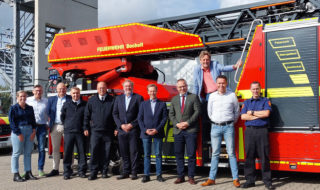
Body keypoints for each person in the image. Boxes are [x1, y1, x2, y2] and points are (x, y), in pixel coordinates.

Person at [201, 75, 240, 187]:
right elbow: (209, 112)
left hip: (228, 127)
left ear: (226, 83)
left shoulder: (232, 96)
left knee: (231, 153)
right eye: (219, 83)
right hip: (215, 127)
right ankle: (211, 179)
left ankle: (236, 179)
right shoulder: (212, 96)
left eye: (223, 83)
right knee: (215, 153)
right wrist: (215, 121)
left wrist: (231, 122)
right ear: (216, 84)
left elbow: (236, 112)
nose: (221, 85)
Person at [240, 81, 275, 190]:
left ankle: (267, 181)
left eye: (257, 89)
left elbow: (266, 114)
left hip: (262, 131)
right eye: (253, 89)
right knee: (249, 156)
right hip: (249, 131)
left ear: (260, 89)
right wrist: (258, 115)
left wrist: (253, 113)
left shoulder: (266, 100)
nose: (255, 91)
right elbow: (243, 117)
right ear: (250, 90)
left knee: (264, 156)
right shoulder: (246, 102)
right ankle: (250, 181)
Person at [169, 79, 201, 185]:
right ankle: (180, 176)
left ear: (187, 86)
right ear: (177, 88)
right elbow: (171, 114)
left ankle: (191, 177)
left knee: (191, 154)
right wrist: (177, 124)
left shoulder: (194, 97)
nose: (182, 88)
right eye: (180, 87)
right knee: (179, 154)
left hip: (190, 130)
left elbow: (197, 112)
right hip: (178, 131)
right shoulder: (174, 99)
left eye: (184, 86)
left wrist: (187, 123)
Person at [112, 79, 144, 180]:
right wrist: (121, 125)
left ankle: (134, 172)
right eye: (126, 86)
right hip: (122, 130)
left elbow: (140, 114)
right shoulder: (118, 99)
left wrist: (132, 125)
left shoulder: (138, 98)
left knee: (134, 152)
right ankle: (125, 172)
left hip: (133, 130)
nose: (128, 88)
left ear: (132, 87)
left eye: (129, 86)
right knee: (124, 152)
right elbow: (115, 113)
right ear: (123, 87)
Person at [84, 81, 115, 180]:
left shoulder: (112, 100)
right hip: (95, 131)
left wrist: (116, 128)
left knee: (106, 152)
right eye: (100, 88)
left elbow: (116, 115)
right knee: (94, 152)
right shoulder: (92, 100)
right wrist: (85, 127)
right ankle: (93, 172)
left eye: (103, 87)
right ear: (97, 89)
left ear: (106, 88)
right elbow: (86, 115)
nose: (101, 89)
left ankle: (104, 171)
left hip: (108, 131)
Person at [138, 84, 167, 183]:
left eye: (154, 91)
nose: (152, 93)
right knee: (147, 155)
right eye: (150, 91)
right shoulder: (143, 104)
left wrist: (157, 129)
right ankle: (147, 175)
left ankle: (159, 175)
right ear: (147, 92)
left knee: (158, 154)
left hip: (157, 132)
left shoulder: (162, 104)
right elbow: (140, 119)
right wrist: (145, 130)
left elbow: (164, 119)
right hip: (146, 133)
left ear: (156, 91)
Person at [9, 90, 37, 182]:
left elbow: (33, 120)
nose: (22, 98)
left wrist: (33, 131)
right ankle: (16, 174)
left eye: (24, 96)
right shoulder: (13, 108)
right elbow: (12, 122)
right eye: (21, 96)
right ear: (17, 97)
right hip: (18, 131)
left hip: (29, 131)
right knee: (16, 153)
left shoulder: (30, 108)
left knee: (28, 153)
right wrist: (18, 133)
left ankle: (28, 172)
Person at [60, 87, 87, 180]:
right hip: (69, 132)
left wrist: (85, 128)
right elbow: (62, 117)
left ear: (80, 94)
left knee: (82, 152)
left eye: (77, 93)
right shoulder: (66, 104)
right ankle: (67, 172)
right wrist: (67, 125)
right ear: (71, 94)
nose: (76, 95)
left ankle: (82, 171)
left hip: (80, 132)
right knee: (67, 153)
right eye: (74, 93)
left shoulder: (85, 105)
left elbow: (86, 118)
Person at [46, 82, 72, 177]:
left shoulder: (70, 98)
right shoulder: (51, 100)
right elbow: (48, 112)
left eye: (64, 88)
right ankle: (55, 169)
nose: (62, 90)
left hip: (67, 126)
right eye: (60, 89)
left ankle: (69, 168)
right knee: (55, 149)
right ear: (56, 89)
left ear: (66, 89)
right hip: (55, 126)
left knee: (68, 149)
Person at [26, 85, 48, 177]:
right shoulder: (28, 100)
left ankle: (40, 169)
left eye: (40, 90)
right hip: (30, 127)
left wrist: (47, 123)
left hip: (42, 126)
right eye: (36, 90)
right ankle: (27, 170)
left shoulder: (46, 101)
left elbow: (48, 113)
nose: (38, 92)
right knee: (28, 149)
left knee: (42, 149)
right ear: (33, 91)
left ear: (42, 91)